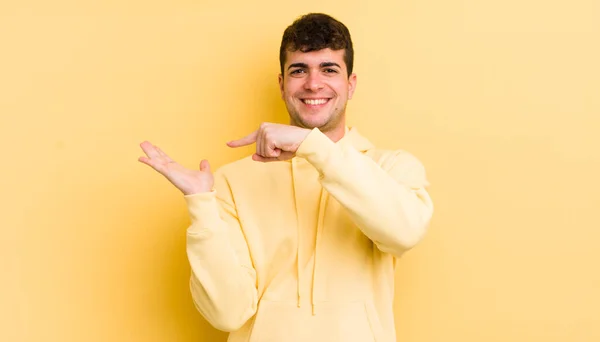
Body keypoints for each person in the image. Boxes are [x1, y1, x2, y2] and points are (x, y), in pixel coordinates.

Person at [138, 12, 433, 342]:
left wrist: (313, 147)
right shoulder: (232, 182)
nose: (313, 83)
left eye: (329, 69)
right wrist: (201, 206)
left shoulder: (392, 168)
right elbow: (227, 313)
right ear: (282, 85)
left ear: (350, 85)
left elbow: (403, 233)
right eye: (299, 70)